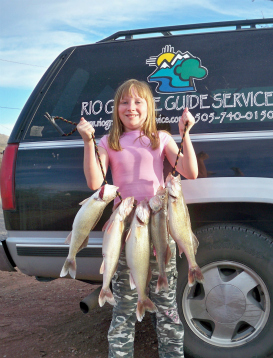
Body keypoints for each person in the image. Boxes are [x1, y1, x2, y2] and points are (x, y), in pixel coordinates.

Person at [77, 79, 198, 358]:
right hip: (123, 231)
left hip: (156, 228)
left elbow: (190, 171)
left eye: (138, 102)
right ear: (116, 108)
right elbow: (95, 180)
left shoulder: (162, 138)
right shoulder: (108, 142)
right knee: (123, 310)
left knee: (168, 310)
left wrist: (186, 134)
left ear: (149, 107)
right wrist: (88, 142)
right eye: (124, 102)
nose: (131, 108)